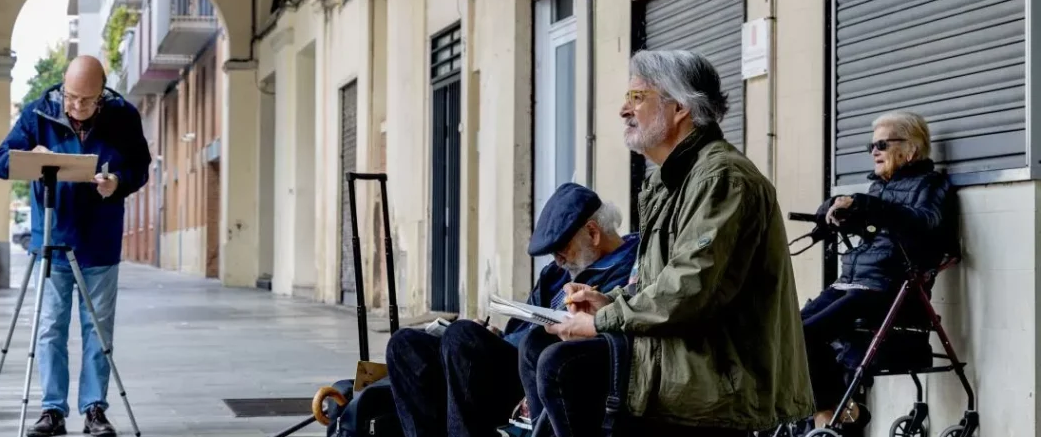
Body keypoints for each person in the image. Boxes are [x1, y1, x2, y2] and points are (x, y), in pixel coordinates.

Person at [519, 49, 814, 436]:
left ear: (680, 108)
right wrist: (609, 302)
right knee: (536, 347)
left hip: (714, 369)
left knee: (563, 367)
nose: (624, 110)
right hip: (676, 350)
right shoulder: (668, 181)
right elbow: (658, 282)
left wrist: (604, 320)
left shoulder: (721, 177)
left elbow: (690, 285)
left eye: (637, 97)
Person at [385, 183, 638, 437]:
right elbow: (523, 325)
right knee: (405, 344)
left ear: (593, 233)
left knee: (461, 337)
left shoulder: (631, 268)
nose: (558, 260)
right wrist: (494, 334)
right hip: (515, 358)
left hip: (547, 370)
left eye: (562, 249)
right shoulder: (555, 274)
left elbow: (616, 330)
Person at [0, 55, 152, 437]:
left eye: (87, 100)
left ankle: (94, 410)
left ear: (102, 94)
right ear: (63, 84)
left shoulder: (123, 117)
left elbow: (140, 167)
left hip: (99, 242)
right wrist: (31, 158)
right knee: (50, 328)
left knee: (98, 330)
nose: (77, 106)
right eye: (72, 97)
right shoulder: (38, 114)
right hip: (52, 241)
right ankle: (52, 410)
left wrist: (118, 183)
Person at [801, 111, 956, 433]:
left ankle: (831, 413)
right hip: (852, 283)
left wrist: (867, 206)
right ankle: (839, 411)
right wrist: (832, 210)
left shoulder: (931, 185)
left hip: (886, 287)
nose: (874, 151)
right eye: (871, 145)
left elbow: (925, 221)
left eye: (882, 144)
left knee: (807, 334)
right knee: (789, 332)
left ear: (910, 150)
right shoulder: (879, 188)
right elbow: (870, 216)